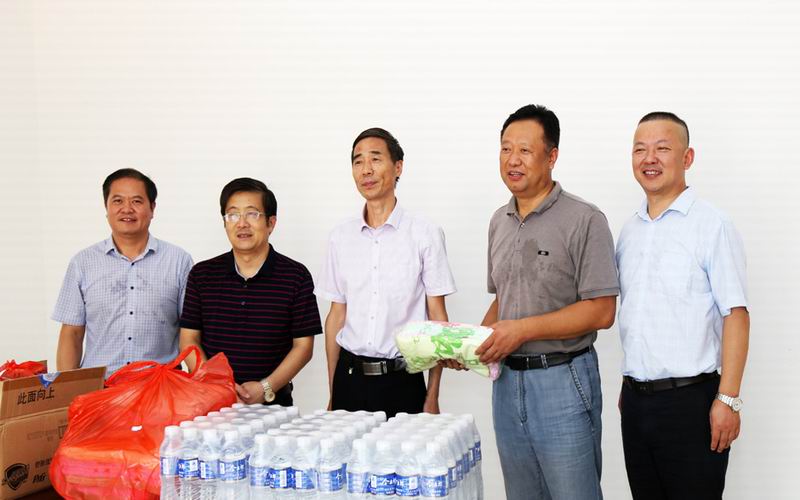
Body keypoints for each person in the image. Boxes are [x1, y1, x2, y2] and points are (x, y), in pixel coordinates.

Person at [473, 105, 619, 500]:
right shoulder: (498, 221)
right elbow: (504, 300)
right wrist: (471, 344)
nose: (512, 160)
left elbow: (602, 310)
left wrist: (522, 331)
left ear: (551, 156)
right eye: (505, 149)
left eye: (525, 150)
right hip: (506, 384)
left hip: (563, 379)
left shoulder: (584, 219)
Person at [616, 112, 749, 500]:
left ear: (687, 158)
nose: (649, 159)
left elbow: (736, 315)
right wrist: (631, 382)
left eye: (662, 148)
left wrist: (728, 399)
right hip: (636, 404)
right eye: (640, 149)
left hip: (690, 404)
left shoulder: (712, 225)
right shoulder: (629, 231)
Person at [316, 127, 457, 418]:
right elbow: (336, 317)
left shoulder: (424, 233)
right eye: (358, 161)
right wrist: (333, 392)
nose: (366, 169)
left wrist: (432, 395)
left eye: (375, 159)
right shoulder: (340, 236)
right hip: (349, 379)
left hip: (402, 381)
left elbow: (437, 319)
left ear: (398, 167)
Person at [179, 178, 321, 406]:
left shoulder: (296, 276)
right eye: (233, 215)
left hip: (274, 405)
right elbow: (189, 339)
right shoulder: (201, 274)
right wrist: (216, 385)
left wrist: (266, 387)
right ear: (224, 222)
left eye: (252, 214)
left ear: (271, 223)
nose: (242, 223)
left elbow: (303, 347)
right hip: (211, 406)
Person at [53, 168, 194, 375]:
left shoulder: (179, 261)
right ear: (106, 207)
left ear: (152, 208)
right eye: (118, 201)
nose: (127, 209)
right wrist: (67, 389)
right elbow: (72, 334)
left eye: (137, 201)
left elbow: (191, 334)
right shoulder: (82, 263)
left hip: (160, 385)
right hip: (100, 386)